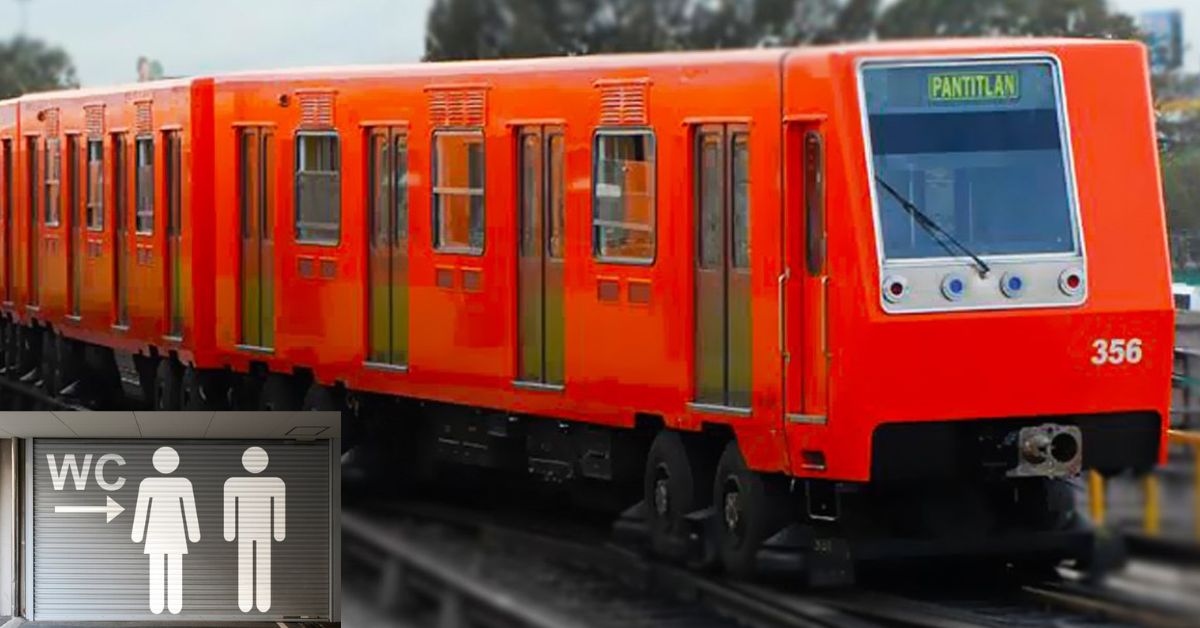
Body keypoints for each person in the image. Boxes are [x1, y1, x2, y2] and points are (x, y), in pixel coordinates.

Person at [131, 446, 201, 615]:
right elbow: (189, 511)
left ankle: (158, 604)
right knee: (173, 570)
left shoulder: (148, 483)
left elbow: (142, 510)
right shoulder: (183, 483)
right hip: (174, 536)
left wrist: (137, 534)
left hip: (157, 536)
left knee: (158, 570)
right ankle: (173, 605)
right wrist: (193, 534)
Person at [224, 446, 286, 613]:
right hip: (255, 531)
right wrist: (279, 532)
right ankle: (252, 601)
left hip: (255, 531)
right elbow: (230, 507)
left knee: (256, 565)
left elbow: (278, 508)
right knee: (256, 565)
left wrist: (229, 532)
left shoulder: (274, 483)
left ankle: (258, 601)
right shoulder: (234, 483)